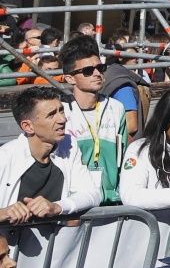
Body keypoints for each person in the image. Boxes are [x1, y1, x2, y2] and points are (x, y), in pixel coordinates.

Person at [0, 86, 100, 223]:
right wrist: (3, 213)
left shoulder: (69, 145)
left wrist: (57, 207)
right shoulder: (5, 157)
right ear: (28, 126)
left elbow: (92, 194)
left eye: (61, 111)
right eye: (51, 115)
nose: (62, 119)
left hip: (58, 243)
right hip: (13, 244)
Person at [60, 35, 133, 205]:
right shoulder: (62, 111)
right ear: (70, 78)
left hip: (111, 201)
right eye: (87, 71)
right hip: (75, 202)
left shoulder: (116, 107)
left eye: (100, 68)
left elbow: (122, 155)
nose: (97, 74)